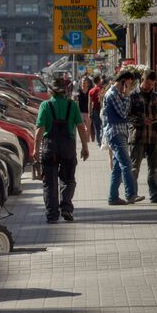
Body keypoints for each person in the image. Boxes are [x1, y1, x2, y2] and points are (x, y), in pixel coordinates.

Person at [33, 78, 89, 224]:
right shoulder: (72, 105)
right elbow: (81, 127)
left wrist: (35, 149)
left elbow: (40, 130)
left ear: (51, 91)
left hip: (50, 147)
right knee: (68, 179)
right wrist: (85, 146)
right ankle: (66, 208)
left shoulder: (45, 105)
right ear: (66, 91)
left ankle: (52, 214)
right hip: (68, 147)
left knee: (50, 182)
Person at [102, 70, 144, 205]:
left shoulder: (117, 94)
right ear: (123, 81)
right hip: (116, 133)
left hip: (120, 132)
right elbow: (123, 112)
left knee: (118, 167)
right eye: (129, 83)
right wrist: (126, 95)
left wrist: (125, 95)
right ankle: (130, 194)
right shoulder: (113, 94)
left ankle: (113, 197)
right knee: (126, 164)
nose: (130, 87)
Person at [128, 70, 157, 203]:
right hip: (137, 137)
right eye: (147, 83)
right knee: (134, 167)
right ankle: (132, 194)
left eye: (152, 84)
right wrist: (141, 120)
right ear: (142, 79)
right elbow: (126, 117)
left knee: (154, 168)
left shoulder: (156, 97)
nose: (149, 86)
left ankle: (155, 195)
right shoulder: (132, 96)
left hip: (153, 137)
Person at [88, 75, 103, 147]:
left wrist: (89, 113)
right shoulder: (102, 89)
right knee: (103, 125)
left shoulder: (91, 91)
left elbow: (89, 103)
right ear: (99, 80)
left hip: (95, 110)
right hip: (102, 109)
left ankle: (99, 142)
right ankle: (102, 140)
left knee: (96, 127)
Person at [77, 76, 92, 142]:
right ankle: (82, 140)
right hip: (80, 112)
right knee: (82, 128)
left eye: (85, 83)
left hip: (88, 112)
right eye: (83, 82)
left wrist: (90, 112)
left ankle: (87, 142)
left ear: (88, 83)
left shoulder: (90, 91)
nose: (83, 84)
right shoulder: (78, 91)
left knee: (88, 129)